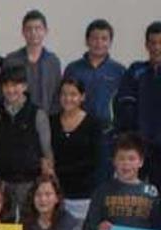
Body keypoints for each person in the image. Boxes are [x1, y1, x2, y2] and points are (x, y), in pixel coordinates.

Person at [114, 21, 161, 211]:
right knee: (128, 196)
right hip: (136, 147)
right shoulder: (135, 71)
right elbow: (124, 106)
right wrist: (137, 136)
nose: (157, 47)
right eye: (153, 42)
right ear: (146, 45)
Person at [63, 19, 126, 184]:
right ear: (87, 40)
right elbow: (65, 101)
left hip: (107, 136)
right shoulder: (73, 69)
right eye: (94, 38)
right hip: (78, 135)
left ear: (110, 42)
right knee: (77, 180)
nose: (99, 43)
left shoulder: (119, 71)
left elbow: (123, 107)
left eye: (104, 38)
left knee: (104, 183)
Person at [0, 65, 53, 219]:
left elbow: (47, 151)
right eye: (6, 85)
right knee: (4, 224)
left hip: (30, 181)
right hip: (3, 181)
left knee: (29, 224)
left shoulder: (38, 114)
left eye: (15, 85)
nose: (11, 90)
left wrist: (48, 180)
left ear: (24, 86)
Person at [51, 77, 103, 220]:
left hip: (84, 195)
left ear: (82, 97)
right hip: (56, 195)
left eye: (73, 94)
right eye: (64, 94)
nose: (68, 98)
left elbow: (95, 160)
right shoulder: (51, 121)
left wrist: (58, 170)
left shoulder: (94, 124)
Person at [3, 10, 63, 116]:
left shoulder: (53, 62)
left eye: (38, 28)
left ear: (45, 31)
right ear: (23, 32)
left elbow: (57, 95)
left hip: (47, 120)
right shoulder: (11, 60)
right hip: (17, 120)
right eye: (29, 29)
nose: (33, 32)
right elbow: (3, 93)